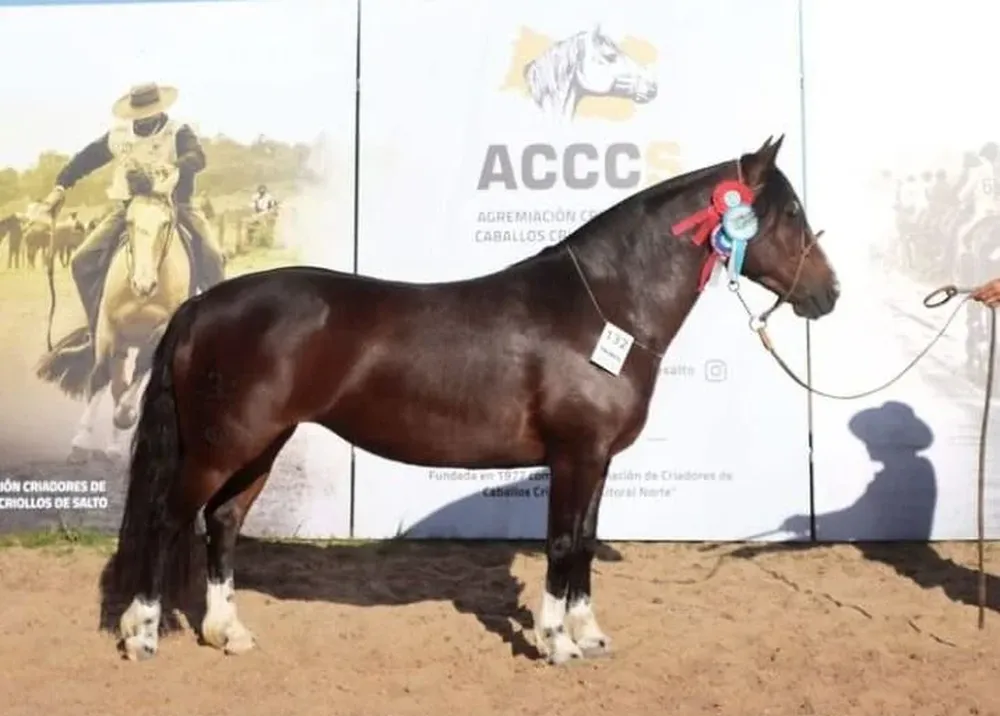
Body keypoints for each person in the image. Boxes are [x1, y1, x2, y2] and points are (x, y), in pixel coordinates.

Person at [35, 82, 226, 348]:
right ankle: (95, 332)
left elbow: (198, 157)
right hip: (129, 208)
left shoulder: (177, 131)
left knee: (214, 256)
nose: (147, 117)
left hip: (176, 204)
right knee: (81, 260)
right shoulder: (119, 136)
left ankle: (218, 332)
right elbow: (85, 159)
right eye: (141, 112)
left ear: (160, 109)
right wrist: (60, 186)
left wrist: (174, 166)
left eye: (152, 111)